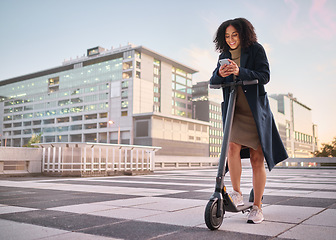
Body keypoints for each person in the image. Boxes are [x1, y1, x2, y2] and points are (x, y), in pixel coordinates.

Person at [210, 18, 288, 224]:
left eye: (234, 34)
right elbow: (213, 81)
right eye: (227, 36)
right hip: (234, 111)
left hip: (254, 112)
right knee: (232, 149)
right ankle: (236, 193)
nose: (231, 39)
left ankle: (257, 207)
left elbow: (264, 75)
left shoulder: (256, 49)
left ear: (243, 34)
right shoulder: (224, 55)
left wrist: (239, 71)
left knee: (256, 158)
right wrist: (220, 73)